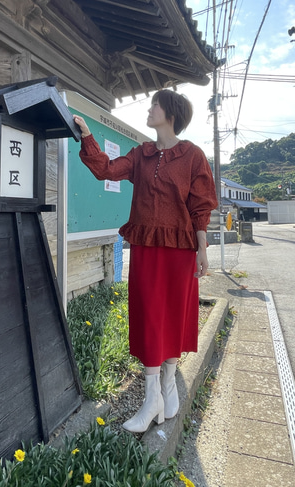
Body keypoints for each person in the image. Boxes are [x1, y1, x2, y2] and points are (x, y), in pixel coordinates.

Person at [73, 89, 217, 433]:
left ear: (170, 113)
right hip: (147, 247)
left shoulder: (192, 155)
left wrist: (202, 249)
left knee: (173, 314)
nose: (149, 110)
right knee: (149, 315)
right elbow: (106, 170)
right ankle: (152, 397)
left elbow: (200, 206)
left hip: (181, 250)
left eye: (155, 105)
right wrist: (89, 137)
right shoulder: (141, 155)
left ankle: (168, 386)